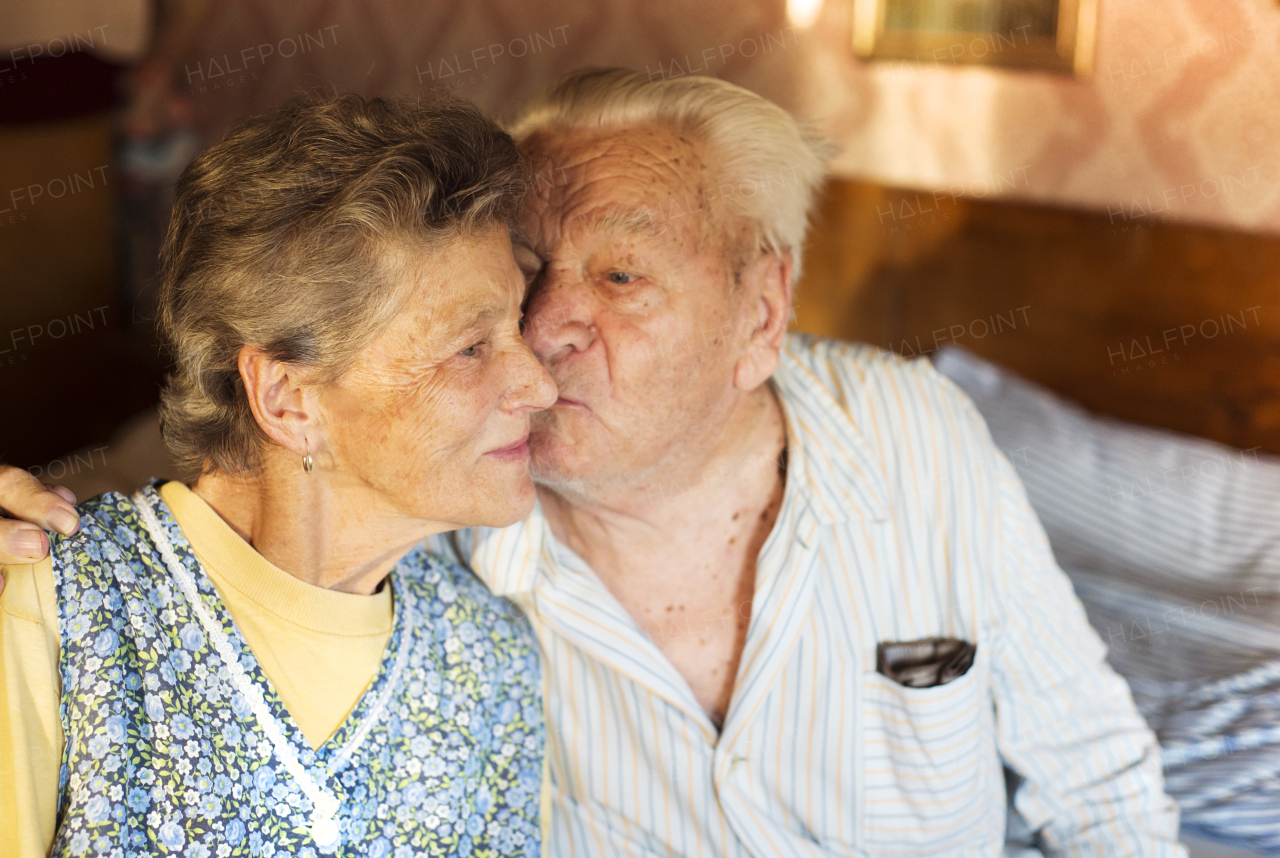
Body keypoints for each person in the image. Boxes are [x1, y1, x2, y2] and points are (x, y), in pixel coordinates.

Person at [1, 69, 1187, 856]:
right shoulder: (447, 509)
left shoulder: (913, 438)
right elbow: (258, 457)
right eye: (524, 279)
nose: (545, 335)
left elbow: (1100, 786)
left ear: (760, 311)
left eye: (619, 276)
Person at [0, 93, 555, 857]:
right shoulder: (53, 600)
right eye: (470, 348)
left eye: (518, 325)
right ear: (288, 400)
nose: (540, 386)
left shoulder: (490, 662)